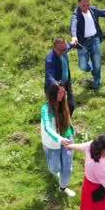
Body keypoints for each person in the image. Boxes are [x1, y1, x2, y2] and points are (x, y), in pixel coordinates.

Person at [70, 0, 105, 90]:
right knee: (83, 66)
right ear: (78, 3)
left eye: (88, 4)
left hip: (95, 40)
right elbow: (73, 24)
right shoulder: (76, 15)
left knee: (97, 65)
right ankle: (91, 67)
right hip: (83, 44)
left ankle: (96, 85)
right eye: (83, 5)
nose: (86, 7)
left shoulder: (93, 10)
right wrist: (74, 37)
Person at [40, 65, 77, 199]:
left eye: (64, 92)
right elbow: (48, 128)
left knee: (67, 168)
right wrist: (59, 139)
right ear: (53, 94)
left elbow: (67, 118)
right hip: (53, 142)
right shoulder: (46, 109)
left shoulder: (65, 103)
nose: (64, 94)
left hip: (67, 139)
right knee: (55, 168)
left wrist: (70, 133)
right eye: (61, 92)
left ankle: (63, 187)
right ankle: (57, 173)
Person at [44, 37, 77, 120]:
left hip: (66, 84)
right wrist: (58, 86)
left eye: (64, 49)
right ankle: (58, 125)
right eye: (61, 50)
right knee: (57, 110)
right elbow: (49, 76)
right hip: (54, 88)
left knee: (71, 105)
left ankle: (67, 122)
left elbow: (70, 45)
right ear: (54, 48)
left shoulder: (64, 49)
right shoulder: (50, 59)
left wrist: (74, 41)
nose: (63, 52)